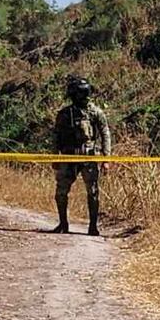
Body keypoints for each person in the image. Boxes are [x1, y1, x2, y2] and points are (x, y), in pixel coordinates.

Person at [52, 76, 111, 236]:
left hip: (88, 156)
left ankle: (93, 226)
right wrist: (55, 157)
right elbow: (56, 135)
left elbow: (105, 133)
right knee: (61, 192)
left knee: (93, 192)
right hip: (68, 157)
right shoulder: (65, 113)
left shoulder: (95, 112)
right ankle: (63, 223)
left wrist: (106, 158)